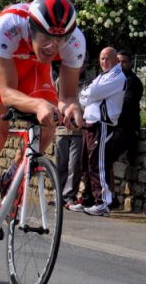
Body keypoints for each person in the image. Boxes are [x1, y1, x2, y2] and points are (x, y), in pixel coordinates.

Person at [0, 0, 86, 255]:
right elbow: (6, 93)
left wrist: (71, 107)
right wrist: (38, 105)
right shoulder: (9, 25)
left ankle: (14, 172)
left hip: (35, 67)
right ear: (32, 27)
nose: (54, 45)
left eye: (60, 39)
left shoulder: (75, 42)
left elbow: (68, 96)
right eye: (48, 37)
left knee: (49, 123)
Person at [68, 47, 126, 217]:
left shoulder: (117, 76)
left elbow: (91, 92)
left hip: (102, 125)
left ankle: (103, 202)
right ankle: (88, 199)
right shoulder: (102, 76)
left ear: (116, 60)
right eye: (101, 58)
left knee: (96, 164)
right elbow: (82, 96)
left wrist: (90, 94)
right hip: (90, 124)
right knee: (85, 163)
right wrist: (89, 95)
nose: (103, 62)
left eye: (107, 58)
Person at [55, 53, 93, 209]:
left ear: (86, 64)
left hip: (79, 129)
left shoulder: (90, 82)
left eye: (84, 62)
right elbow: (56, 100)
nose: (81, 65)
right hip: (62, 129)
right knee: (61, 164)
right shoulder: (60, 81)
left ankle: (69, 196)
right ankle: (59, 196)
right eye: (78, 61)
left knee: (74, 165)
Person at [114, 49, 144, 168]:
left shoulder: (132, 81)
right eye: (117, 62)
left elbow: (126, 105)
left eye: (124, 62)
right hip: (117, 127)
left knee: (104, 158)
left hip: (126, 129)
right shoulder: (114, 79)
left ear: (131, 63)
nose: (120, 65)